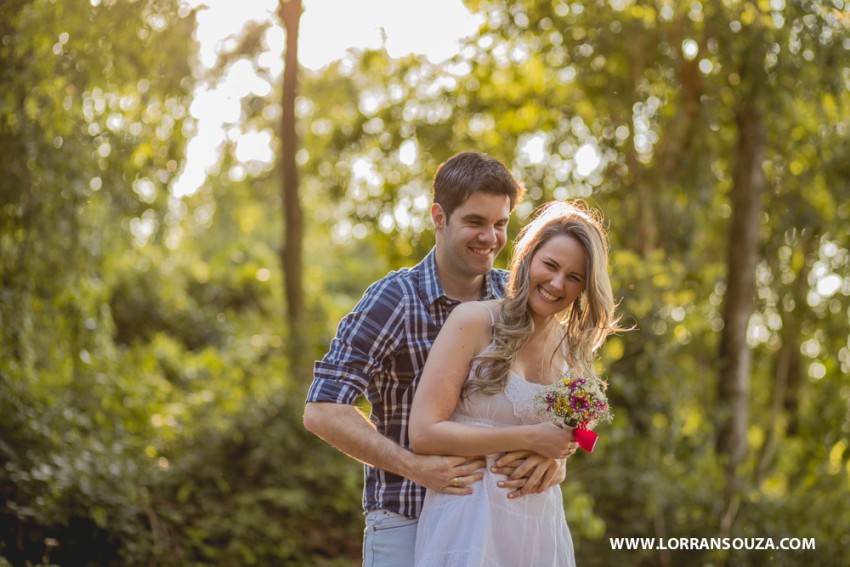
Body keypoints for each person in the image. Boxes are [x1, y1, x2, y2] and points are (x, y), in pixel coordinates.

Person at [303, 152, 573, 566]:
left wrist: (554, 461)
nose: (490, 238)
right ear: (439, 217)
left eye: (500, 224)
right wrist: (414, 466)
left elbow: (551, 405)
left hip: (496, 526)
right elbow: (322, 410)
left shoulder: (514, 299)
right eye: (475, 222)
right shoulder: (394, 300)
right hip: (405, 523)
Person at [409, 200, 622, 566]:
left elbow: (565, 442)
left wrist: (559, 463)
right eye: (551, 266)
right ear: (528, 257)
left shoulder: (571, 351)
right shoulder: (473, 321)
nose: (557, 284)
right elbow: (424, 433)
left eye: (574, 277)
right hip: (468, 523)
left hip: (537, 529)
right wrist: (527, 438)